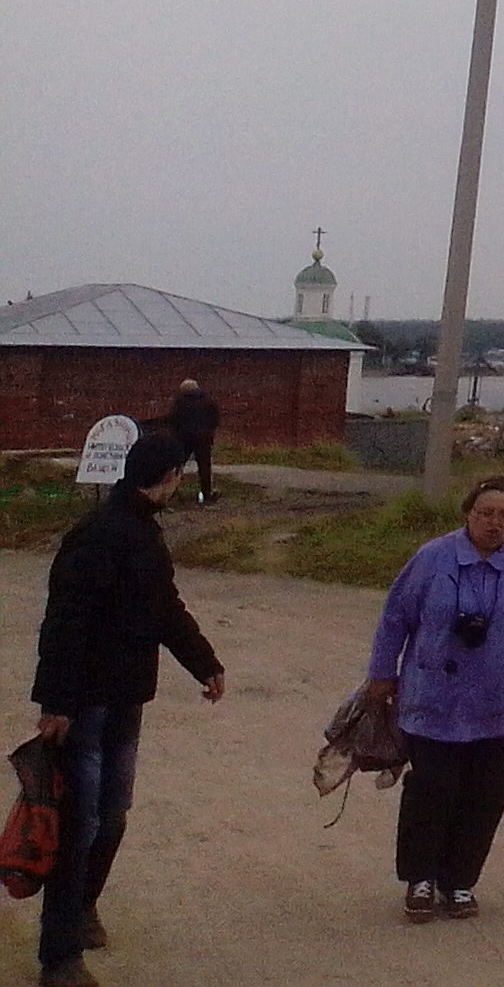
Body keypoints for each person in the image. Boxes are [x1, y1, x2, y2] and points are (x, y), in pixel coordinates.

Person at [30, 433, 226, 987]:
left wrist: (204, 664)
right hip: (84, 706)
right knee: (79, 825)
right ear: (167, 477)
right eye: (179, 474)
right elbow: (64, 621)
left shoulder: (143, 532)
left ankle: (82, 908)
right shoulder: (97, 536)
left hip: (126, 701)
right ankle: (59, 958)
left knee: (112, 814)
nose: (180, 482)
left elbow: (164, 608)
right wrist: (57, 703)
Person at [365, 474, 504, 923]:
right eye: (486, 513)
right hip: (433, 698)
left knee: (486, 793)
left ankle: (459, 881)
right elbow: (396, 616)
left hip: (500, 705)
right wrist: (382, 673)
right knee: (432, 788)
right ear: (467, 514)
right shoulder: (432, 558)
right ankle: (420, 878)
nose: (495, 523)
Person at [167, 378, 218, 506]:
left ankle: (170, 492)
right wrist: (209, 431)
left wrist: (176, 435)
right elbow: (215, 418)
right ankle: (207, 494)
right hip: (203, 439)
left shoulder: (180, 403)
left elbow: (173, 420)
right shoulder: (208, 401)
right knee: (205, 467)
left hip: (184, 439)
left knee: (178, 466)